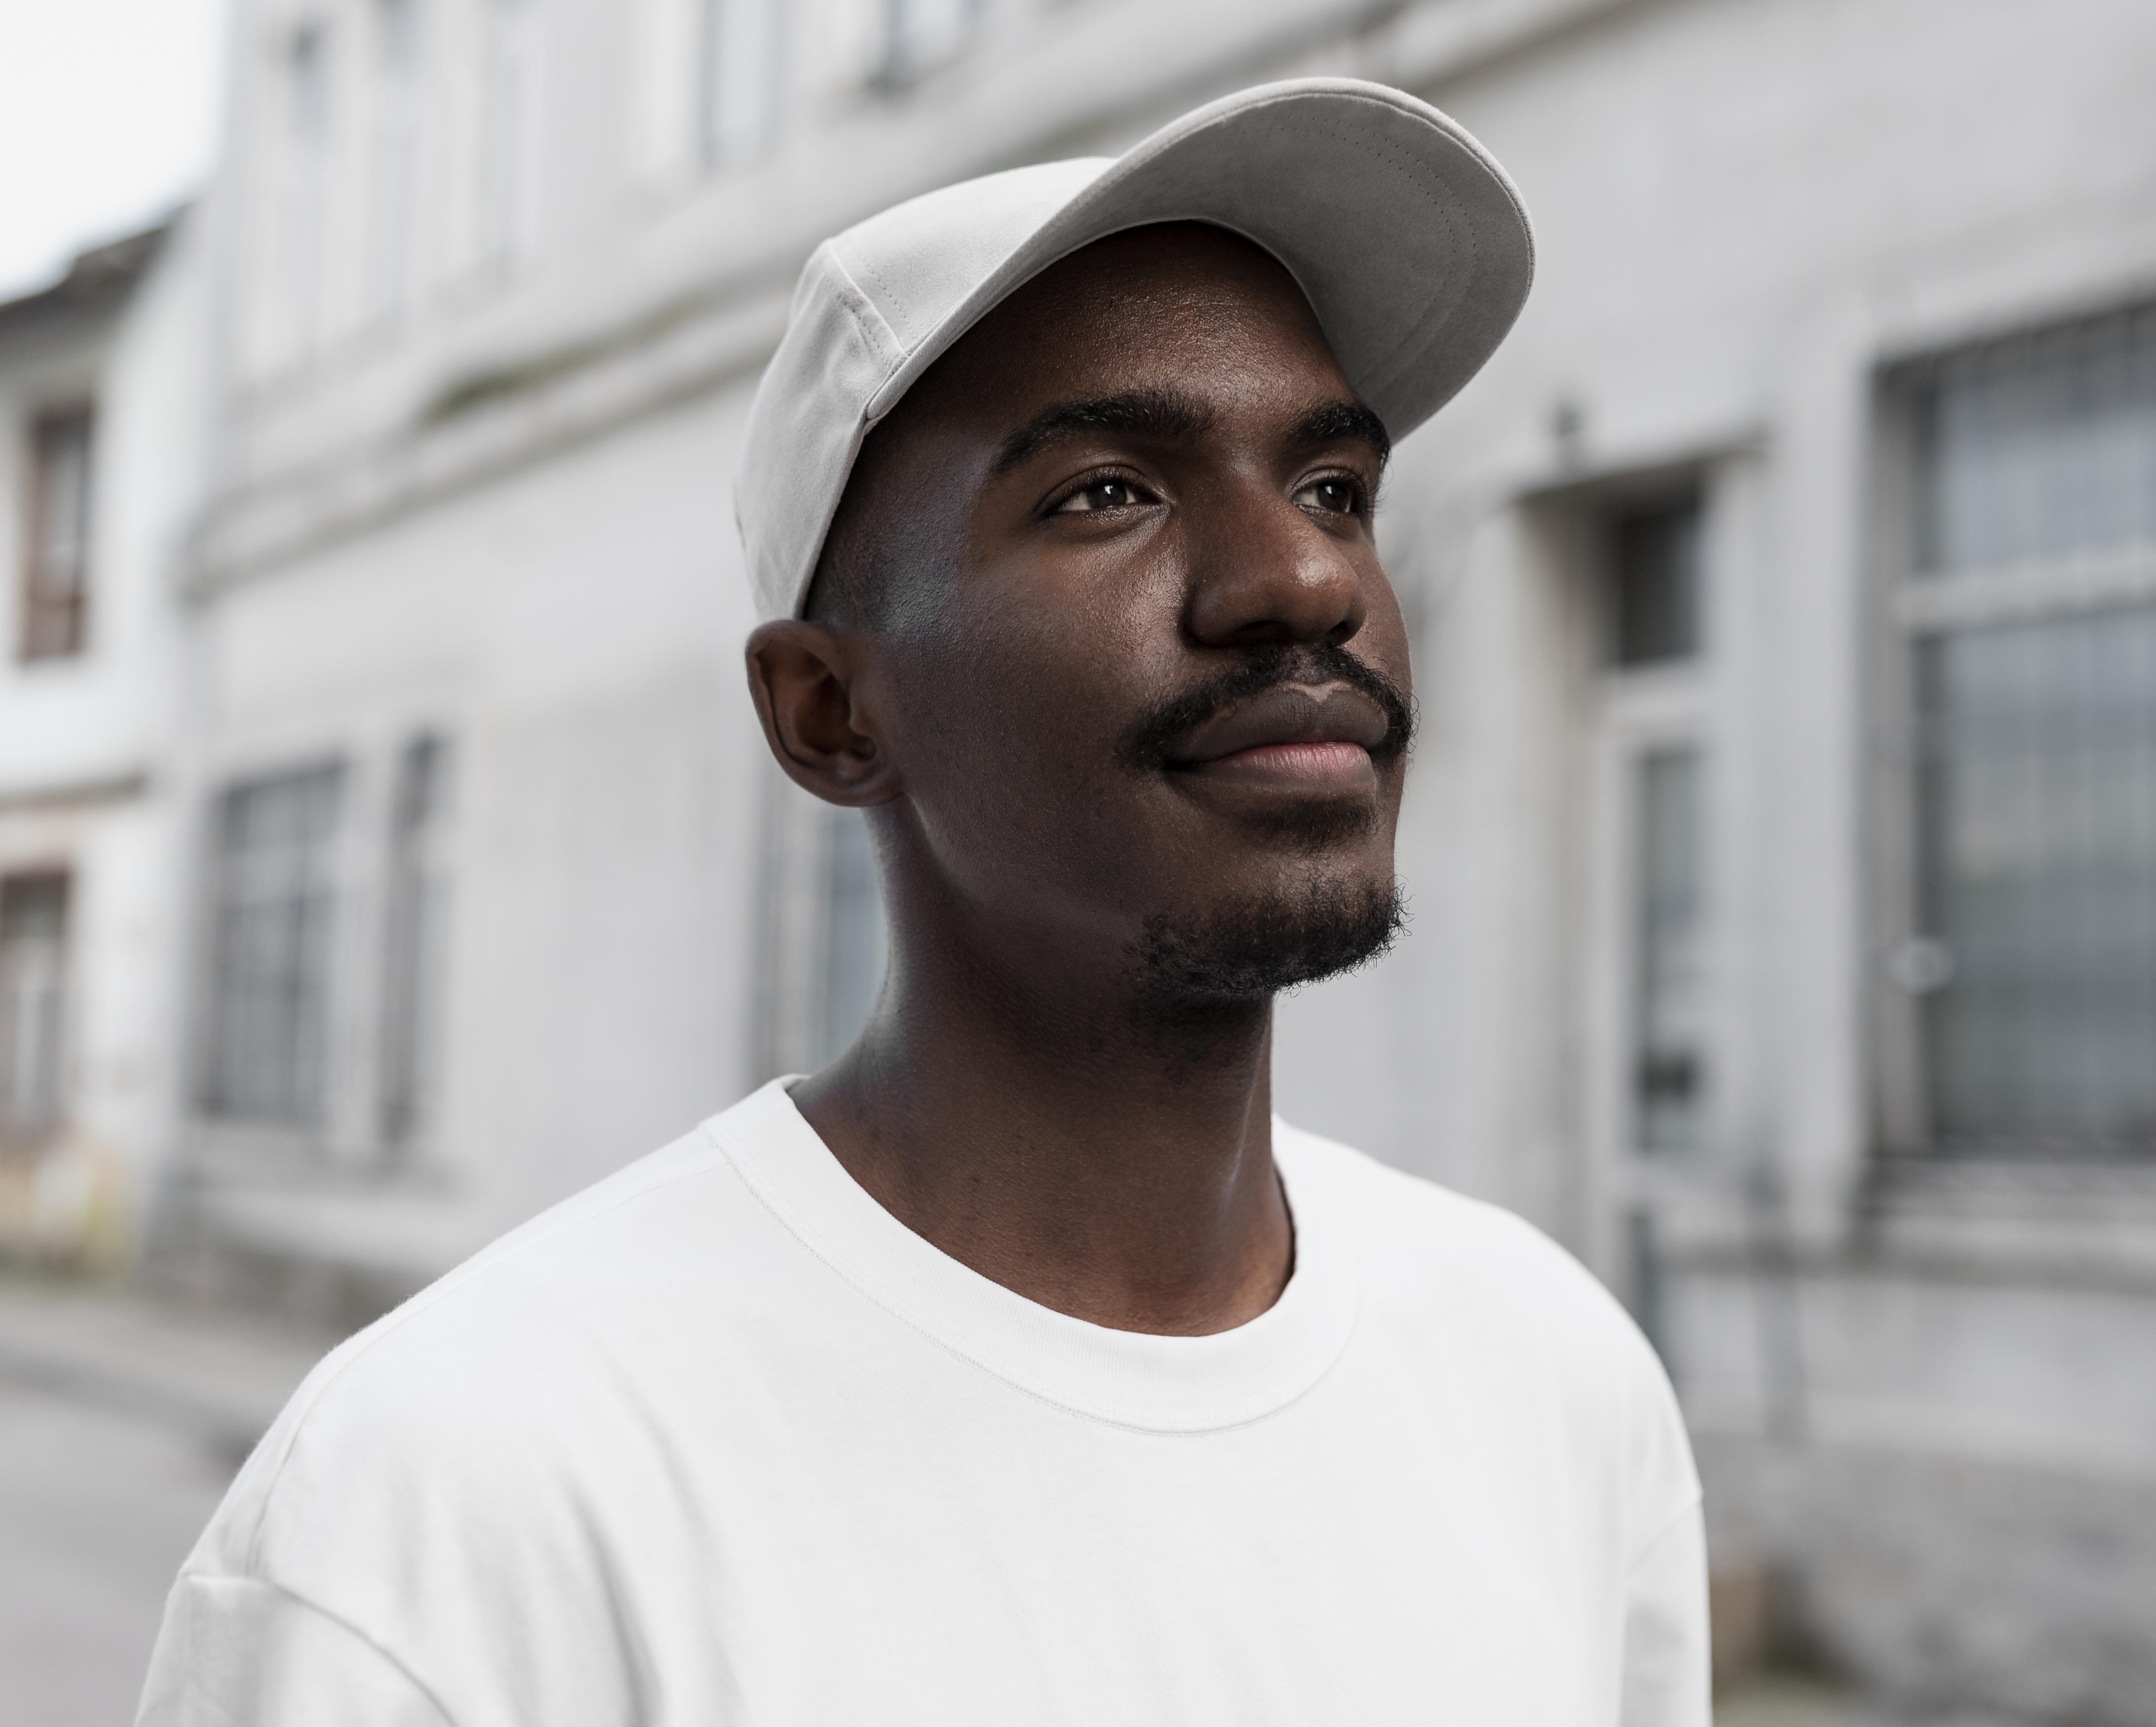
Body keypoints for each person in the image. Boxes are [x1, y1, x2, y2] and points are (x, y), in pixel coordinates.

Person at [137, 79, 1707, 1726]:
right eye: (1107, 490)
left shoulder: (1554, 1383)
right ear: (830, 713)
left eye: (1332, 487)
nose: (1306, 581)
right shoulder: (458, 1508)